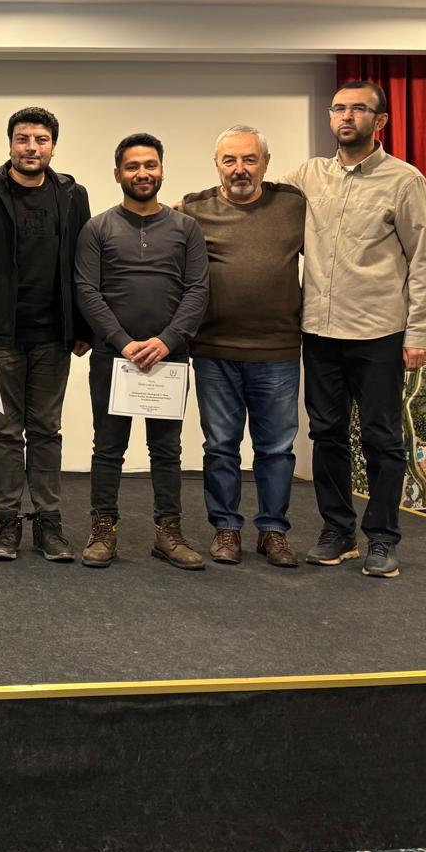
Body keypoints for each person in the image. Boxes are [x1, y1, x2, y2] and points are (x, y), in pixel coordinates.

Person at [281, 80, 426, 579]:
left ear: (380, 121)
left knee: (381, 437)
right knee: (326, 434)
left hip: (378, 333)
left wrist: (419, 332)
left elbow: (422, 261)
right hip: (319, 332)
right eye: (339, 108)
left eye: (358, 109)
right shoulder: (308, 175)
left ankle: (383, 537)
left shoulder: (405, 181)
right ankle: (338, 531)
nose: (346, 117)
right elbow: (256, 203)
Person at [0, 107, 92, 563]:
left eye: (41, 139)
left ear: (53, 146)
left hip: (55, 339)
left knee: (47, 430)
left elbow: (85, 266)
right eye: (23, 139)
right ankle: (6, 522)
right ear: (10, 143)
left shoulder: (72, 195)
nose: (32, 147)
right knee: (5, 433)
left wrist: (83, 327)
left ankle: (49, 523)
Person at [74, 133, 210, 570]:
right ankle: (103, 530)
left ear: (162, 170)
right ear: (117, 174)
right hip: (114, 358)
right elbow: (87, 290)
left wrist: (168, 340)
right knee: (107, 448)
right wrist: (123, 342)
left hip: (169, 358)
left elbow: (197, 290)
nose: (142, 173)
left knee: (166, 450)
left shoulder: (186, 228)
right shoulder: (97, 228)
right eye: (132, 166)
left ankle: (168, 532)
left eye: (150, 165)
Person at [182, 126, 307, 567]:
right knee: (220, 446)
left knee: (276, 449)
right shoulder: (194, 209)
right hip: (214, 350)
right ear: (217, 165)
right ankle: (226, 528)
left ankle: (273, 531)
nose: (240, 169)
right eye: (230, 160)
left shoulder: (293, 205)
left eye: (250, 159)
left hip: (277, 350)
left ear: (266, 163)